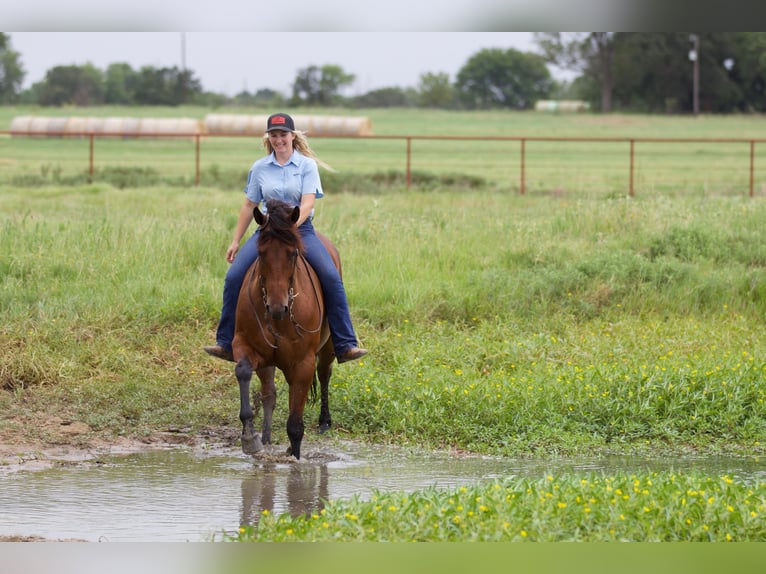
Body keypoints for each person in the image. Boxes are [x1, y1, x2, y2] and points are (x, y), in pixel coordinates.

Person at [204, 112, 368, 365]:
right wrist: (235, 240)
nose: (278, 139)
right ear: (268, 138)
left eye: (283, 135)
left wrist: (289, 226)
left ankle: (344, 343)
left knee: (331, 277)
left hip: (300, 230)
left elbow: (308, 202)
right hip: (268, 232)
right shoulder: (259, 168)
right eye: (274, 135)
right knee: (234, 276)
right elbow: (250, 205)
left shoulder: (306, 166)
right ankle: (225, 342)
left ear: (292, 136)